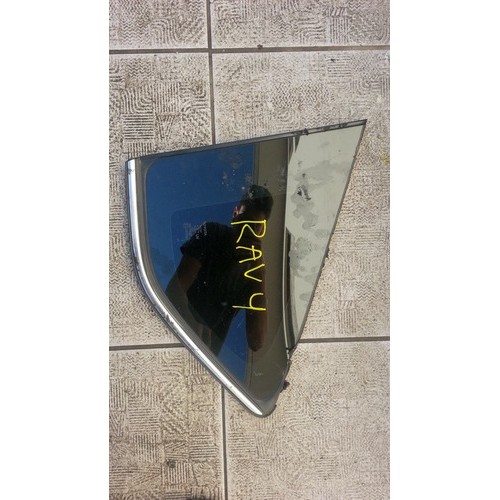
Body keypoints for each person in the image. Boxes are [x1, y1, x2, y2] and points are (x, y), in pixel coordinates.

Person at [166, 185, 273, 355]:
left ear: (262, 231)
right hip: (175, 338)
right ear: (235, 215)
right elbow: (174, 290)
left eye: (254, 228)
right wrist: (191, 324)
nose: (246, 232)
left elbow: (256, 341)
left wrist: (260, 271)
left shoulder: (253, 270)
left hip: (207, 357)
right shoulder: (212, 233)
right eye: (244, 222)